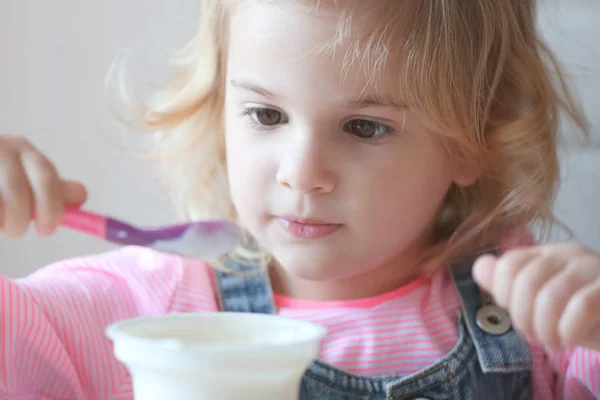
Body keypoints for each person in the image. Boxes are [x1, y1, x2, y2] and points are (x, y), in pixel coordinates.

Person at [1, 0, 598, 398]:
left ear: (475, 139)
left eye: (365, 127)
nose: (302, 174)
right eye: (267, 114)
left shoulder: (539, 314)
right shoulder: (149, 308)